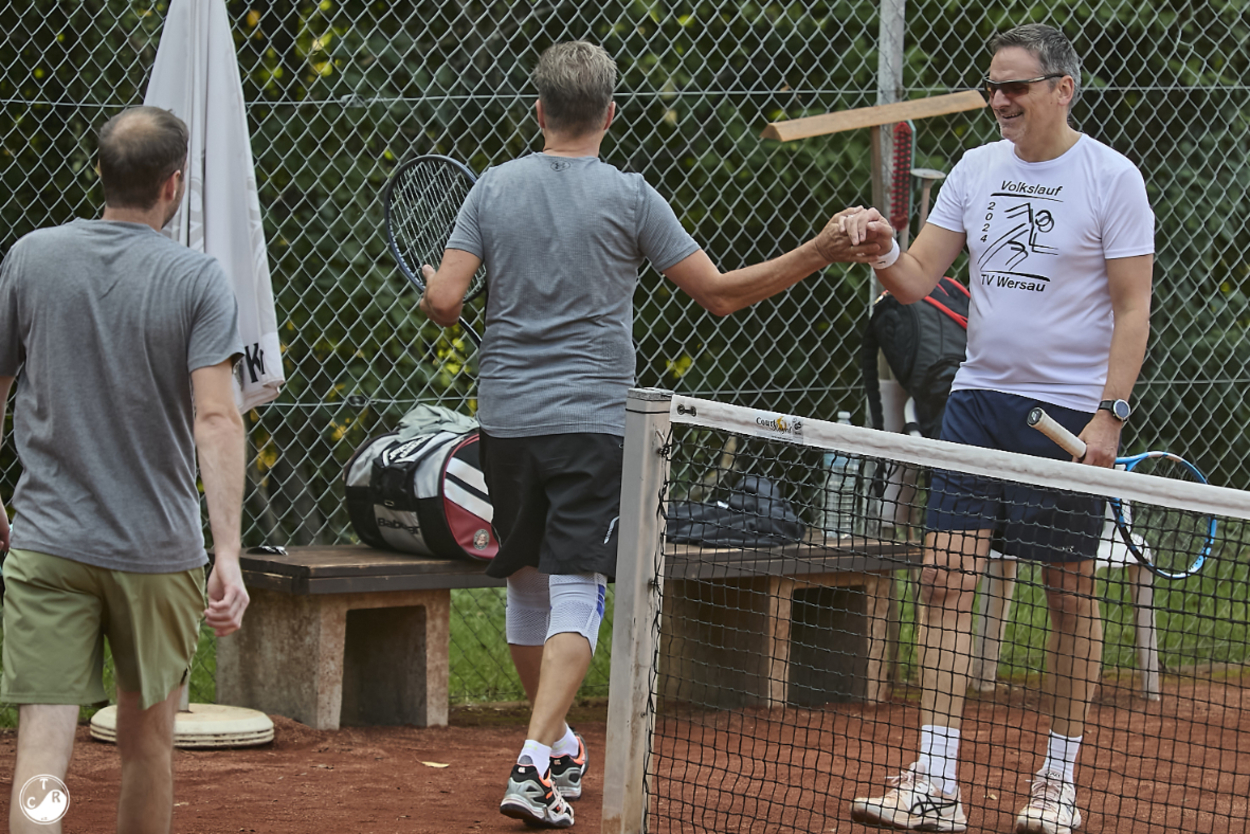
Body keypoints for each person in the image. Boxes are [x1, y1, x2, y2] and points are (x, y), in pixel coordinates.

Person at [420, 40, 884, 829]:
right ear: (609, 114)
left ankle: (555, 741)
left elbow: (447, 304)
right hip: (594, 426)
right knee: (575, 587)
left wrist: (437, 292)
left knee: (529, 585)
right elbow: (720, 295)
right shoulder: (632, 196)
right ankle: (537, 761)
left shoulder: (492, 190)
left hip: (506, 422)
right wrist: (821, 249)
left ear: (538, 112)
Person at [841, 23, 1153, 834]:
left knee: (1071, 594)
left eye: (1015, 86)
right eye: (991, 87)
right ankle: (936, 782)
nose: (1000, 101)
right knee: (945, 579)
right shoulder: (977, 171)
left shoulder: (1112, 178)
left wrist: (1109, 416)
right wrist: (881, 248)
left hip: (1067, 418)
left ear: (1062, 89)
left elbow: (1132, 307)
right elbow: (914, 282)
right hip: (977, 404)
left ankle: (1059, 782)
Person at [0, 106, 250, 834]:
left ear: (101, 173)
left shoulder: (31, 257)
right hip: (156, 552)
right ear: (173, 184)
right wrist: (228, 551)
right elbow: (215, 418)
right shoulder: (197, 279)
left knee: (43, 747)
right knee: (147, 746)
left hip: (48, 544)